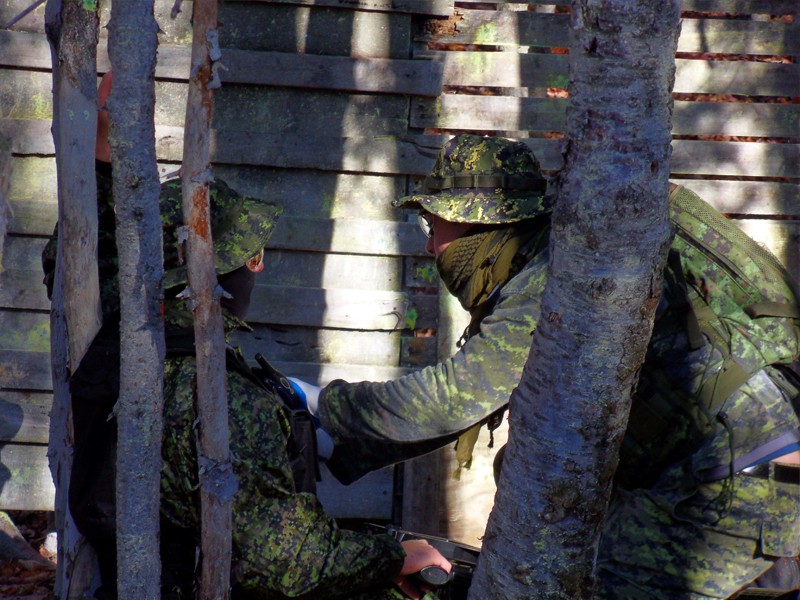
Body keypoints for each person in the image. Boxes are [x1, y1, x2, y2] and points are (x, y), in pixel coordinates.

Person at [293, 134, 800, 598]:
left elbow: (457, 397)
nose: (430, 247)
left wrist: (327, 410)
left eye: (435, 226)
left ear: (478, 221)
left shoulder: (556, 275)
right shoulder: (566, 253)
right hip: (736, 474)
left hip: (728, 485)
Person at [42, 72, 451, 600]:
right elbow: (284, 563)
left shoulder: (110, 340)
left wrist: (101, 142)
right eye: (255, 254)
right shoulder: (221, 400)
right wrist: (395, 555)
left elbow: (79, 251)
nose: (259, 268)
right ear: (247, 265)